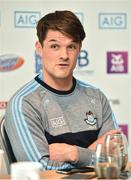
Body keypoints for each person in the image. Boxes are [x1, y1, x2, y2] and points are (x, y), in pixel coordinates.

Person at [4, 10, 119, 170]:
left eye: (71, 46)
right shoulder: (24, 103)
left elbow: (116, 158)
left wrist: (73, 153)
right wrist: (94, 153)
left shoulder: (96, 97)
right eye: (55, 46)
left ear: (79, 49)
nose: (64, 55)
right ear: (39, 48)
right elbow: (40, 169)